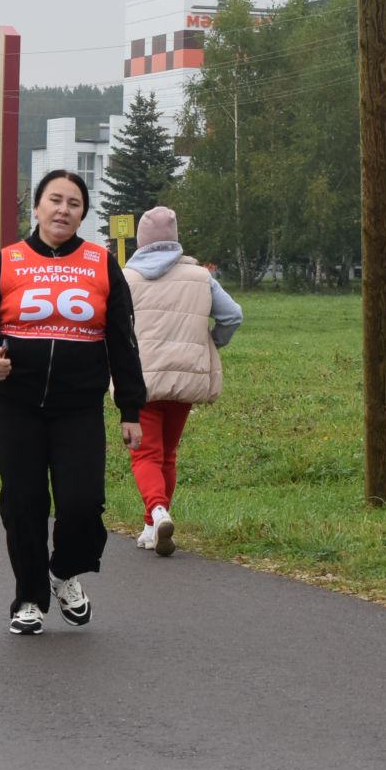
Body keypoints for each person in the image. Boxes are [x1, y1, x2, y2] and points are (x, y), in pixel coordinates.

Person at [0, 169, 146, 635]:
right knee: (24, 502)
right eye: (54, 200)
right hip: (14, 405)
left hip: (77, 407)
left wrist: (131, 410)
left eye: (74, 203)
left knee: (82, 503)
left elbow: (123, 341)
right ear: (36, 208)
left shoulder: (101, 264)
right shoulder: (8, 261)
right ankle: (29, 597)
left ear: (83, 213)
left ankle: (63, 573)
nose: (63, 209)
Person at [121, 206, 243, 557]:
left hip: (140, 381)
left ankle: (158, 510)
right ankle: (151, 526)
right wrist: (212, 341)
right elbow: (233, 316)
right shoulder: (200, 277)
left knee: (144, 454)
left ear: (140, 241)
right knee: (167, 455)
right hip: (185, 380)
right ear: (175, 240)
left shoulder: (126, 279)